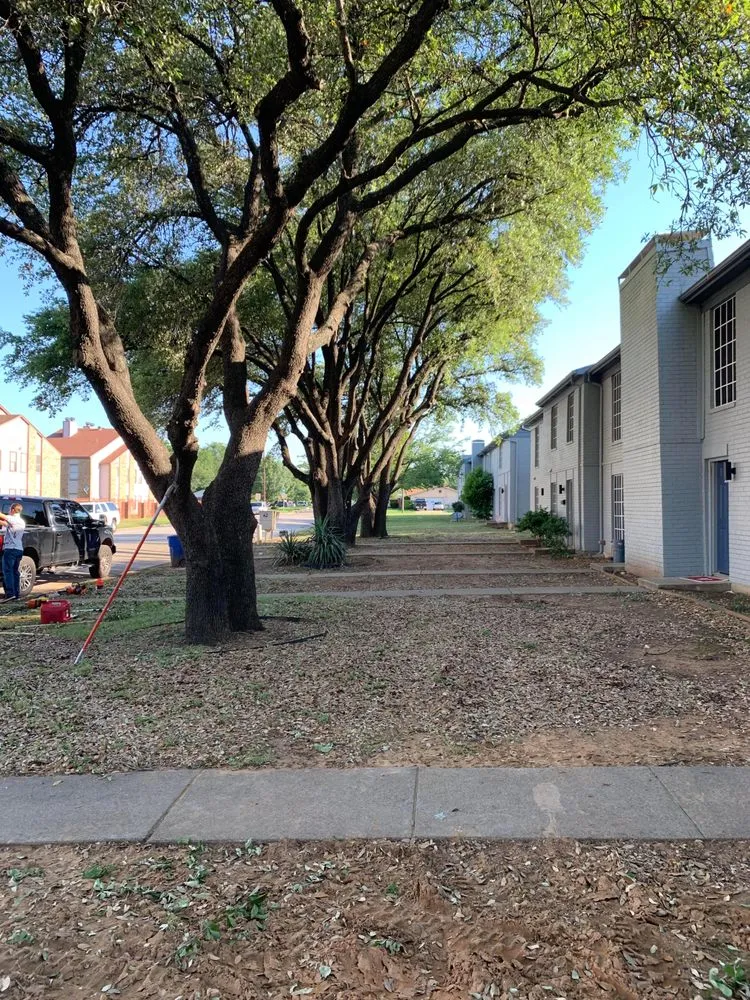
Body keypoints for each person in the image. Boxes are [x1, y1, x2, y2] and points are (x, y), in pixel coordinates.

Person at [0, 502, 25, 601]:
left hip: (10, 549)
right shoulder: (20, 521)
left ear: (13, 510)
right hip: (19, 549)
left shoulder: (13, 518)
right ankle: (16, 594)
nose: (9, 511)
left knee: (8, 571)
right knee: (15, 572)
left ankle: (10, 594)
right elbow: (4, 523)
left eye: (10, 509)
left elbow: (2, 517)